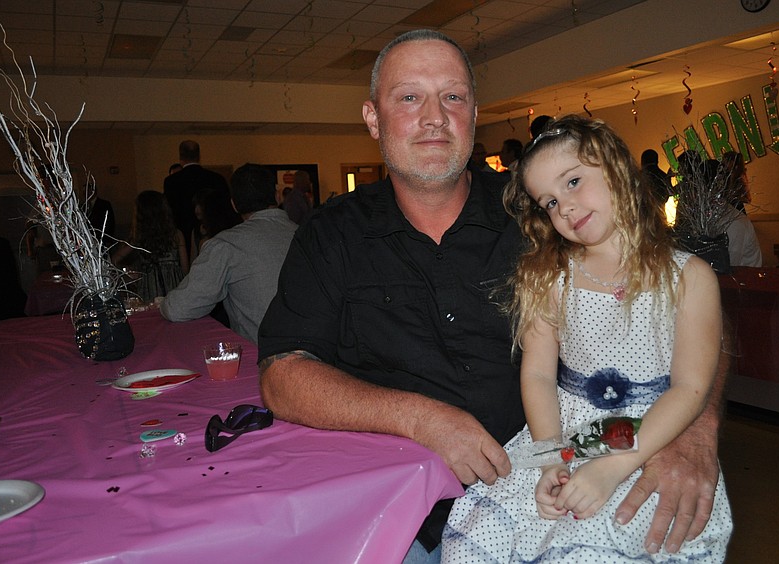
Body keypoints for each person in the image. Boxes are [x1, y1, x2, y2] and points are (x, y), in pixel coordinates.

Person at [257, 30, 724, 563]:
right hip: (396, 518)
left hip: (552, 487)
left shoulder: (538, 217)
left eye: (452, 96)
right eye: (409, 97)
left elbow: (675, 317)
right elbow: (283, 374)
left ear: (473, 114)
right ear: (372, 118)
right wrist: (420, 419)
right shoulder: (331, 234)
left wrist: (690, 435)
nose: (434, 116)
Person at [442, 115, 732, 562]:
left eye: (574, 182)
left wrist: (614, 468)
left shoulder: (689, 277)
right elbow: (538, 373)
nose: (566, 208)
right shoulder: (548, 277)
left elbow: (691, 388)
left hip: (647, 434)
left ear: (615, 167)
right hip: (568, 433)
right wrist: (550, 460)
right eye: (550, 202)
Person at [160, 164, 297, 344]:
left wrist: (161, 303)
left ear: (233, 204)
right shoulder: (310, 236)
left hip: (264, 359)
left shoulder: (226, 245)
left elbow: (179, 308)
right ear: (278, 195)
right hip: (323, 358)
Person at [113, 190, 189, 304]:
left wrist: (129, 273)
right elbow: (185, 269)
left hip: (150, 290)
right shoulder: (176, 235)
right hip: (175, 288)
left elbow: (114, 259)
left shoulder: (139, 238)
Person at [163, 140, 230, 255]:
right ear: (199, 156)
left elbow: (169, 212)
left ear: (181, 157)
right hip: (215, 236)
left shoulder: (172, 182)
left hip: (183, 238)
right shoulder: (216, 179)